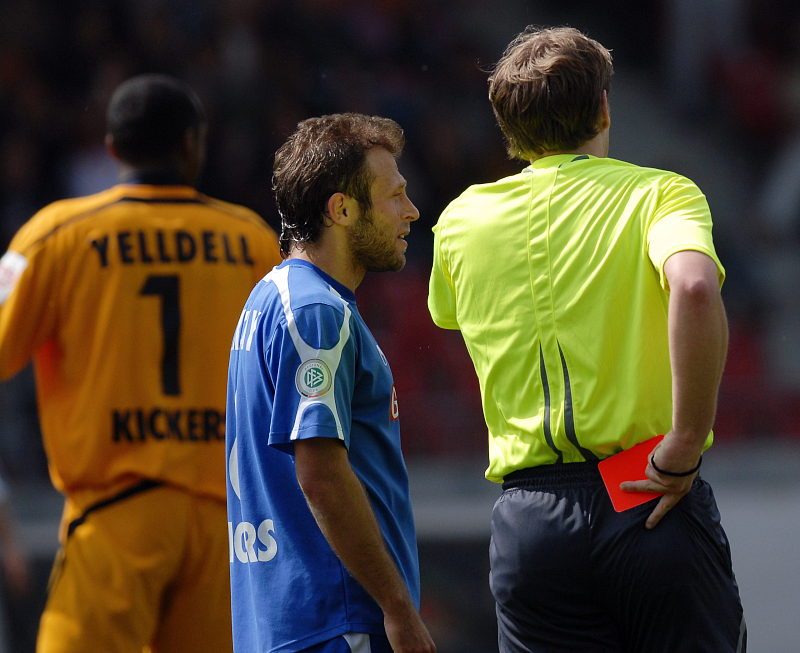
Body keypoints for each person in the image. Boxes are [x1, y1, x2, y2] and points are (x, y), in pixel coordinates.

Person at [427, 26, 746, 653]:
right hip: (647, 491)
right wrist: (685, 441)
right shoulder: (660, 192)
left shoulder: (461, 219)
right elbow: (694, 287)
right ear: (603, 107)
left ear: (508, 128)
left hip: (531, 520)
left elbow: (449, 314)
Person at [0, 74, 281, 652]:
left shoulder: (55, 235)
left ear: (112, 149)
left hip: (115, 512)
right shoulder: (251, 239)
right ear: (191, 144)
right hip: (224, 524)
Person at [226, 113, 436, 653]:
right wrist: (398, 608)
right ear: (342, 210)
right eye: (395, 195)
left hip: (284, 621)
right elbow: (320, 473)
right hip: (336, 621)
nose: (411, 211)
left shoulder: (269, 298)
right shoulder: (317, 312)